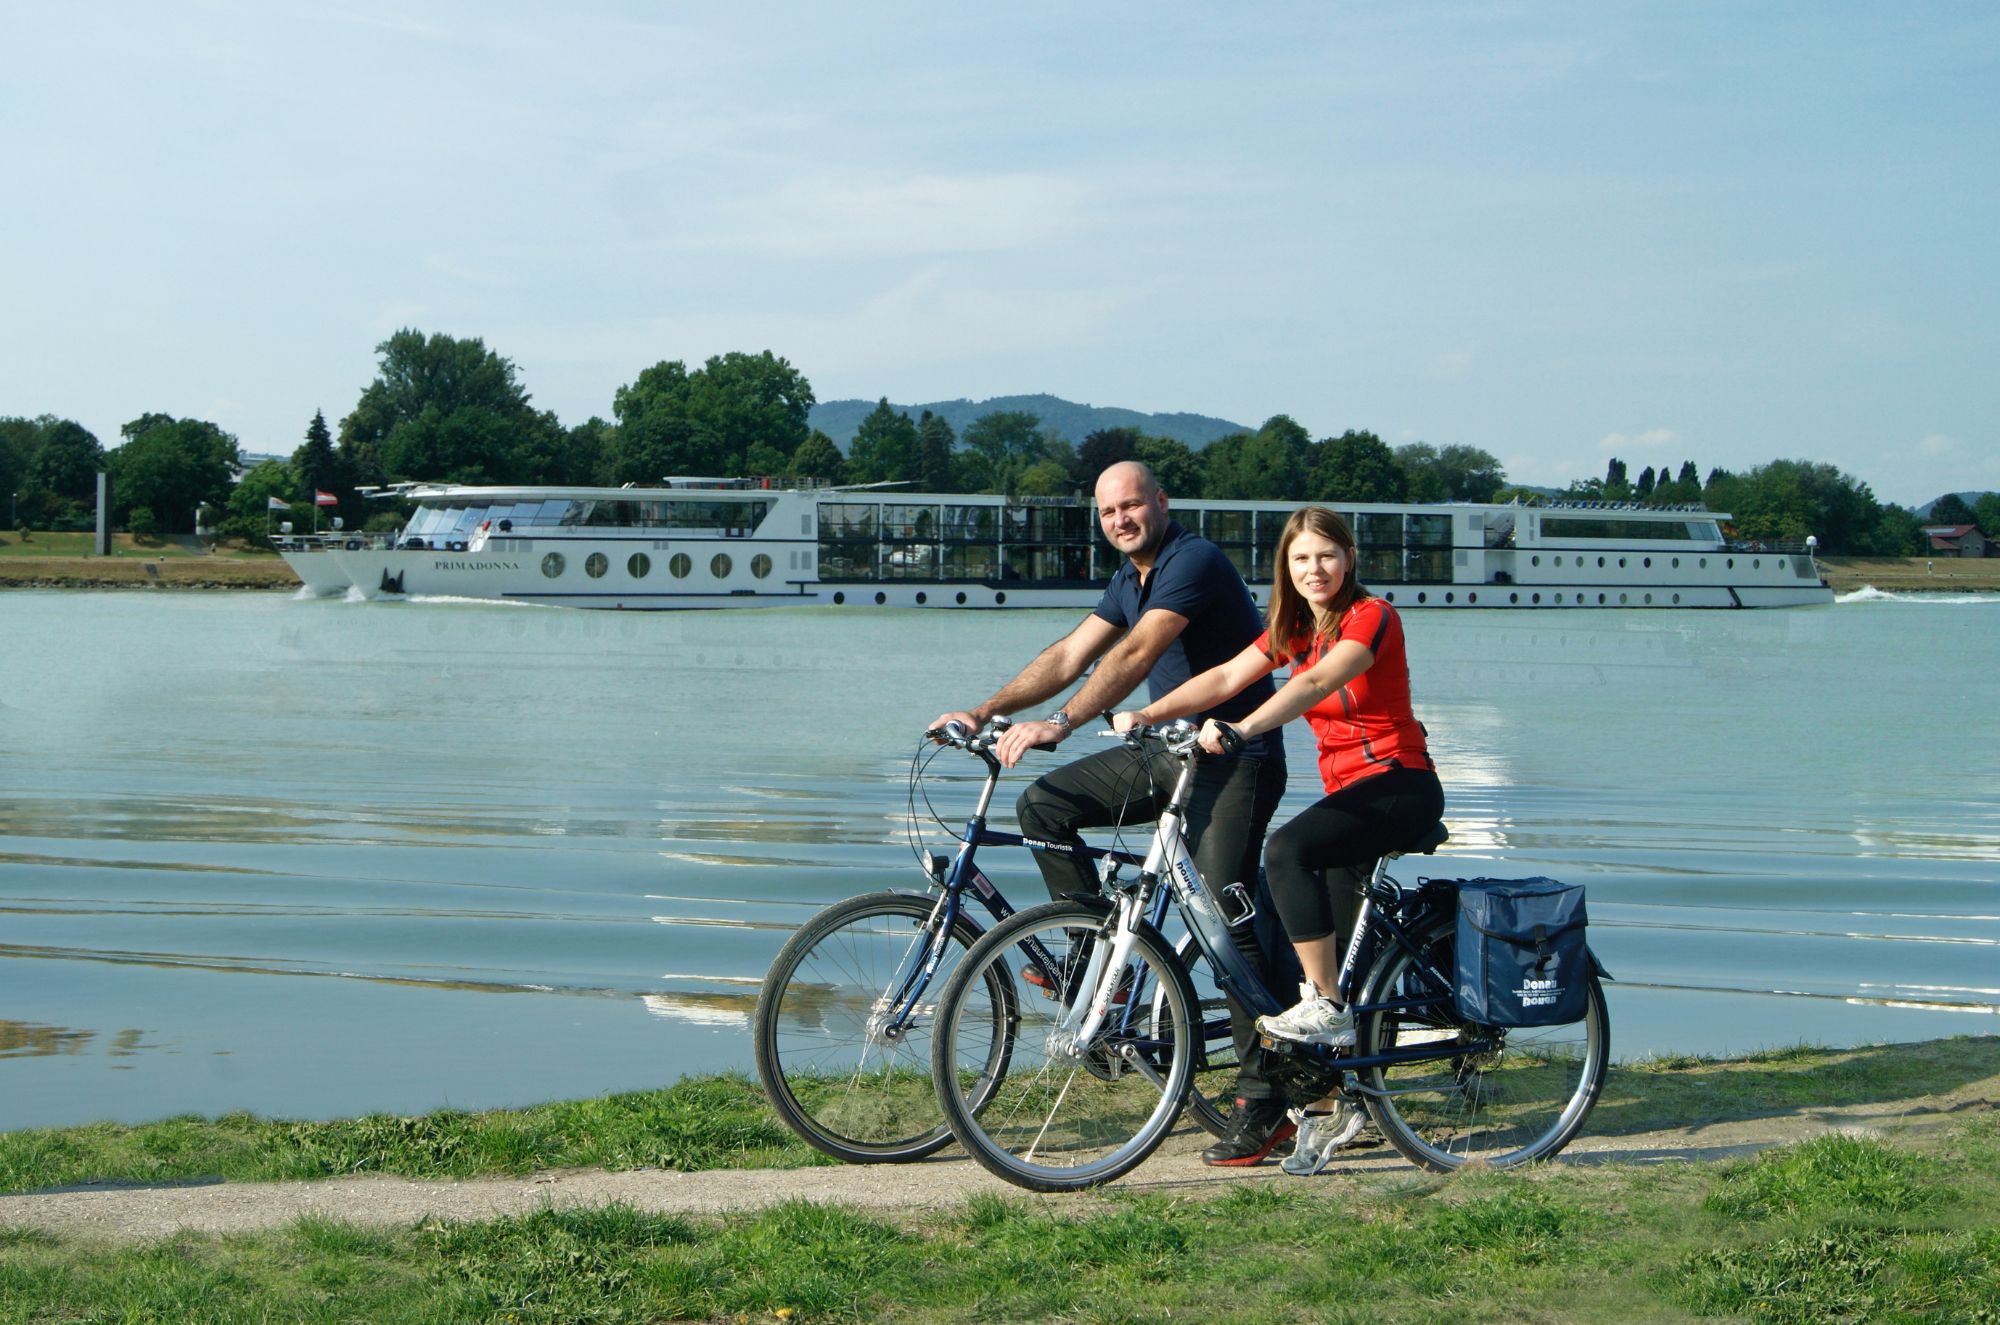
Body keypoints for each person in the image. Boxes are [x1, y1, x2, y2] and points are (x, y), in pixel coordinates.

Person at [929, 459, 1294, 1165]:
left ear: (1161, 501)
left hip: (1234, 759)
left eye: (1131, 505)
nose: (1120, 520)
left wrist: (1059, 723)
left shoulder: (1194, 561)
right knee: (1045, 803)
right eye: (1107, 512)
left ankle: (1266, 1100)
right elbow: (1071, 652)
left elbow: (1136, 651)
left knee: (1223, 917)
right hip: (1165, 752)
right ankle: (1101, 964)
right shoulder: (1130, 579)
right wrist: (986, 709)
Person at [1112, 505, 1444, 1144]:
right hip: (1351, 797)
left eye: (1325, 555)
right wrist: (1147, 713)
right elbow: (1227, 675)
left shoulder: (1370, 618)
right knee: (1268, 912)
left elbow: (1317, 682)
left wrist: (1243, 728)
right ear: (1284, 569)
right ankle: (1330, 1096)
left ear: (1348, 559)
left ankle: (1324, 1009)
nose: (1314, 569)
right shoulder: (1295, 627)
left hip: (1401, 786)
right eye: (1300, 559)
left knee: (1285, 851)